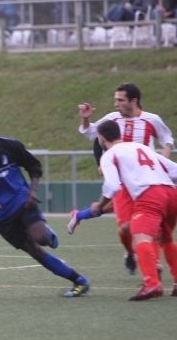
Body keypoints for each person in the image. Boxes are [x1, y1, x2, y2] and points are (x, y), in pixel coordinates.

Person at [0, 109, 90, 298]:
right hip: (0, 215)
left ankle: (47, 234)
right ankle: (79, 281)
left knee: (41, 239)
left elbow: (34, 166)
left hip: (22, 201)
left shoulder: (9, 146)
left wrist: (32, 191)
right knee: (35, 251)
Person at [67, 83, 173, 275]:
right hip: (124, 180)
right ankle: (131, 252)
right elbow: (92, 133)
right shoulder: (112, 119)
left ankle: (152, 264)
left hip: (147, 179)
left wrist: (162, 159)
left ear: (134, 101)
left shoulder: (152, 119)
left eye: (120, 100)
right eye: (115, 100)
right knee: (124, 227)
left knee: (150, 223)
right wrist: (86, 119)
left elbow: (167, 139)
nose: (116, 104)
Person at [85, 121, 177, 301]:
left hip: (149, 195)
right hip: (171, 193)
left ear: (101, 138)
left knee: (141, 238)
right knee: (166, 238)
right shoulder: (141, 147)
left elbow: (112, 185)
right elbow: (174, 169)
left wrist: (100, 204)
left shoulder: (109, 155)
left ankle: (152, 284)